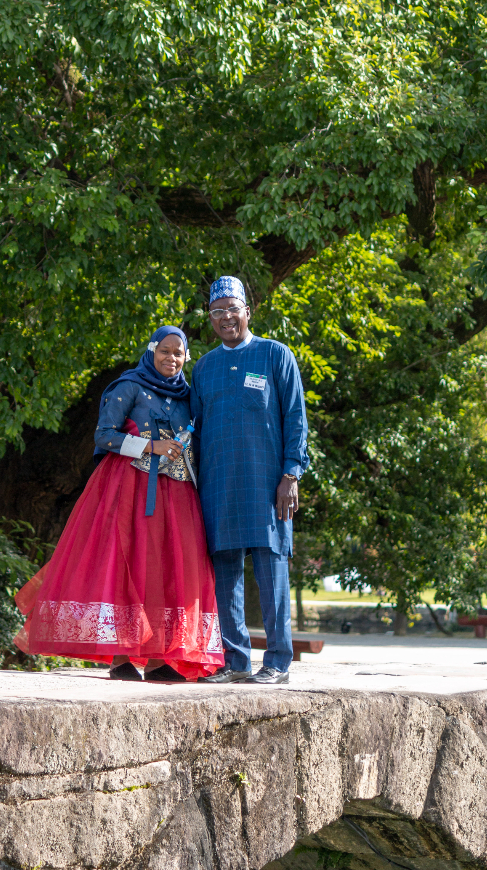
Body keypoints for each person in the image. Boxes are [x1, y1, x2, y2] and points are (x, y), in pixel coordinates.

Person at [13, 325, 224, 683]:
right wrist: (149, 446)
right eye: (165, 351)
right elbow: (104, 436)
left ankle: (160, 658)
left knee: (168, 569)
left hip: (177, 494)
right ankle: (121, 655)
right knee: (129, 564)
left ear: (186, 357)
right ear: (151, 350)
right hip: (129, 489)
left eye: (179, 353)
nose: (171, 358)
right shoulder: (128, 386)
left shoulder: (191, 397)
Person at [190, 276, 309, 684]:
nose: (225, 317)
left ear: (247, 311)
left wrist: (291, 473)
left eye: (232, 308)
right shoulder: (203, 367)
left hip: (267, 484)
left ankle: (277, 662)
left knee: (272, 571)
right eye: (216, 311)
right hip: (218, 485)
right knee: (225, 576)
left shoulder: (276, 355)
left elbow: (295, 418)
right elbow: (195, 432)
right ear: (211, 318)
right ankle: (235, 662)